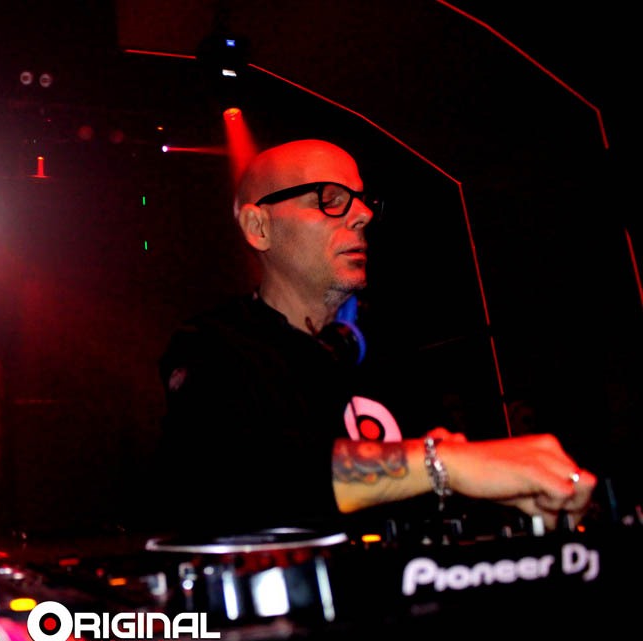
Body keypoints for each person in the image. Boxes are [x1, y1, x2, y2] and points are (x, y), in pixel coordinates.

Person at [154, 138, 596, 537]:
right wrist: (439, 462)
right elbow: (238, 478)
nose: (363, 215)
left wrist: (513, 500)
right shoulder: (214, 346)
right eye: (330, 199)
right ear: (259, 227)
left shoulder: (391, 347)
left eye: (362, 201)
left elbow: (442, 494)